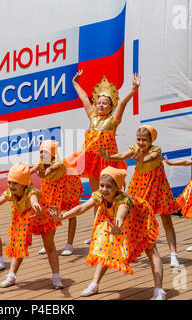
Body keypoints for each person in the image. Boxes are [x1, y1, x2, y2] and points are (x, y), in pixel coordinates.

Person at [49, 167, 165, 300]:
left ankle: (159, 290)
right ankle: (94, 284)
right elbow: (82, 207)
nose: (104, 189)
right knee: (105, 248)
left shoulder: (123, 200)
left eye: (109, 187)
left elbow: (121, 215)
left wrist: (117, 228)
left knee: (151, 250)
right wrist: (62, 216)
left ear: (117, 187)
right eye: (102, 185)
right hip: (117, 223)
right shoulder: (100, 195)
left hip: (139, 218)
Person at [64, 71, 140, 244]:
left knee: (112, 197)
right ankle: (98, 231)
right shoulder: (92, 116)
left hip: (108, 162)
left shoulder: (114, 119)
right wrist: (75, 83)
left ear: (110, 106)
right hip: (92, 160)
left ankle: (116, 228)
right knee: (96, 197)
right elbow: (84, 97)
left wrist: (133, 89)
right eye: (99, 102)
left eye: (105, 103)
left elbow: (123, 102)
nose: (100, 105)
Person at [0, 162, 63, 289]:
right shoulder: (10, 192)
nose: (11, 185)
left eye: (15, 183)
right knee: (18, 244)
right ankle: (11, 276)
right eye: (9, 182)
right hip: (23, 216)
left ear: (24, 184)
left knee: (49, 246)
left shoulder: (31, 192)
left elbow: (33, 200)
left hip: (41, 215)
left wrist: (36, 207)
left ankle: (56, 277)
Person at [98, 125, 181, 267]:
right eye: (139, 139)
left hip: (157, 186)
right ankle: (129, 251)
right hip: (140, 184)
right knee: (132, 216)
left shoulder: (156, 149)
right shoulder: (135, 149)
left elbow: (151, 157)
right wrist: (110, 157)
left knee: (166, 219)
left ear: (151, 140)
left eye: (144, 140)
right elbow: (123, 155)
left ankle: (173, 254)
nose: (141, 142)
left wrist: (144, 159)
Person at [30, 140, 83, 256]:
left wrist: (44, 173)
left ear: (52, 154)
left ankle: (69, 244)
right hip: (51, 188)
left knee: (71, 213)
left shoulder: (57, 162)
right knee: (50, 214)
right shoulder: (41, 162)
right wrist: (20, 176)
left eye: (46, 153)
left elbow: (51, 169)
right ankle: (50, 243)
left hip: (68, 187)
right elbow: (32, 170)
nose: (42, 155)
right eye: (41, 152)